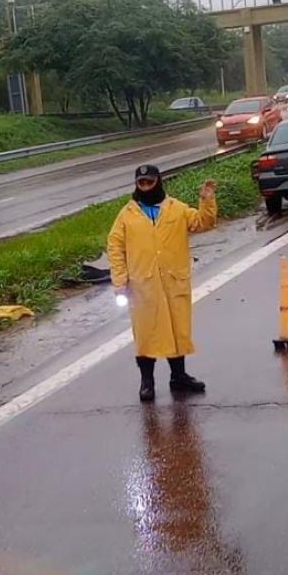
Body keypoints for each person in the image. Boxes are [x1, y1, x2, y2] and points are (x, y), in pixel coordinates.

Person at [108, 165, 218, 402]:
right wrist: (120, 280)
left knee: (177, 329)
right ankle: (147, 382)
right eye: (141, 183)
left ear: (158, 181)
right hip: (142, 287)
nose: (146, 186)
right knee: (146, 334)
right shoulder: (127, 215)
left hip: (173, 282)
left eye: (149, 182)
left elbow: (203, 222)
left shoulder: (176, 208)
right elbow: (115, 247)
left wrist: (207, 200)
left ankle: (179, 376)